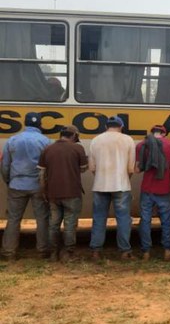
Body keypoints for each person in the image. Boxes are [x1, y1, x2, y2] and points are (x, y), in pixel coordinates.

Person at [1, 112, 51, 260]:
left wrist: (9, 181)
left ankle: (9, 252)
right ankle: (42, 251)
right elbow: (48, 166)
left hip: (16, 184)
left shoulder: (13, 140)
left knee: (14, 219)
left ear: (25, 123)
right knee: (42, 218)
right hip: (37, 185)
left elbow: (5, 165)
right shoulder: (45, 141)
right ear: (40, 124)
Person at [89, 116, 136, 260]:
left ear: (106, 126)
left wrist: (100, 178)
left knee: (99, 218)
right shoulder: (128, 140)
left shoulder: (95, 140)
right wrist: (126, 179)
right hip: (121, 185)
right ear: (121, 127)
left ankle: (96, 251)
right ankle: (124, 251)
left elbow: (92, 167)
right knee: (123, 218)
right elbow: (131, 168)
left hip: (100, 185)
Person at [38, 125, 88, 262]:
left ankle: (54, 253)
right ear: (74, 136)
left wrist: (44, 191)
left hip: (53, 194)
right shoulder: (78, 148)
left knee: (53, 224)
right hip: (72, 192)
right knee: (70, 225)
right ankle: (69, 254)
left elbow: (41, 174)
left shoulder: (48, 148)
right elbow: (83, 169)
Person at [134, 125, 170, 261]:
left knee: (145, 221)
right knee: (166, 221)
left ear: (151, 133)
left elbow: (137, 169)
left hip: (147, 189)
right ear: (164, 134)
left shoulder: (142, 145)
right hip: (164, 189)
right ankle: (167, 251)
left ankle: (146, 252)